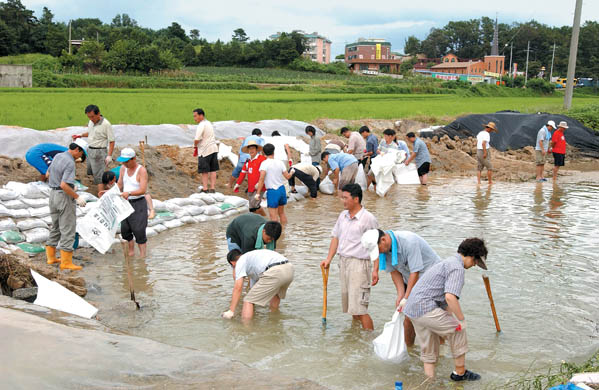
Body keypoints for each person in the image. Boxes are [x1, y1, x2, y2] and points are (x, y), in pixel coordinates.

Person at [403, 238, 488, 382]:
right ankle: (460, 373)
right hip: (425, 307)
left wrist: (450, 317)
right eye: (475, 262)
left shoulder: (446, 262)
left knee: (429, 348)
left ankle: (430, 381)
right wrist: (461, 320)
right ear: (472, 256)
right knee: (458, 330)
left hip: (413, 309)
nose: (474, 265)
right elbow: (450, 297)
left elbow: (442, 298)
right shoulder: (457, 268)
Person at [361, 229, 441, 346]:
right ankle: (408, 348)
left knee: (428, 315)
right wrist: (401, 296)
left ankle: (440, 346)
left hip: (432, 277)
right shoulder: (385, 251)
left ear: (383, 240)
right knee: (407, 315)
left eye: (378, 249)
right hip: (411, 277)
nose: (379, 253)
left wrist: (407, 298)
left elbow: (415, 272)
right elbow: (395, 273)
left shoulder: (409, 241)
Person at [320, 184, 378, 330]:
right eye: (342, 197)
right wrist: (328, 259)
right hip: (344, 262)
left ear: (356, 199)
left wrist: (375, 270)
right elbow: (335, 237)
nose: (342, 201)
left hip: (360, 265)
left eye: (345, 198)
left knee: (360, 309)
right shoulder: (343, 216)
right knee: (352, 308)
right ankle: (356, 336)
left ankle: (369, 340)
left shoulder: (368, 219)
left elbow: (375, 245)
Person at [45, 138, 89, 270]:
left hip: (52, 195)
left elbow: (48, 174)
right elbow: (64, 185)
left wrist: (70, 186)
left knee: (56, 226)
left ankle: (51, 258)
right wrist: (77, 197)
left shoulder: (58, 156)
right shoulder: (70, 163)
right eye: (81, 154)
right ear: (77, 150)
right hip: (63, 197)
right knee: (68, 228)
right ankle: (66, 262)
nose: (81, 157)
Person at [222, 249, 294, 321]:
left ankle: (245, 329)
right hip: (289, 269)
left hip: (274, 271)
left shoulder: (240, 261)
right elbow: (253, 290)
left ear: (232, 263)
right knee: (275, 294)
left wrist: (231, 311)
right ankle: (274, 320)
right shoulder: (252, 260)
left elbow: (238, 287)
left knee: (248, 300)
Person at [72, 105, 115, 196]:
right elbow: (91, 133)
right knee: (92, 172)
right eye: (89, 117)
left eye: (92, 116)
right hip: (90, 150)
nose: (91, 119)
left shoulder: (106, 124)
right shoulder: (91, 122)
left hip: (99, 152)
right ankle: (107, 190)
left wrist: (109, 155)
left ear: (98, 114)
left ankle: (101, 197)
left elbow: (111, 141)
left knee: (99, 177)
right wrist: (80, 135)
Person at [116, 148, 149, 258]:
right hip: (126, 203)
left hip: (138, 203)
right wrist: (110, 192)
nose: (125, 164)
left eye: (127, 161)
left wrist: (129, 193)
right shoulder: (123, 169)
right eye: (123, 162)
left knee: (139, 230)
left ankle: (142, 256)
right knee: (125, 230)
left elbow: (143, 190)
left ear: (134, 158)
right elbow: (120, 184)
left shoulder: (141, 170)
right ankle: (131, 252)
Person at [255, 143, 293, 224]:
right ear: (273, 152)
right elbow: (287, 177)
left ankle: (277, 235)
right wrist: (292, 172)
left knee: (273, 217)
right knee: (282, 213)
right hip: (281, 189)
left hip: (273, 191)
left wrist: (258, 193)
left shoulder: (264, 164)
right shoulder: (280, 162)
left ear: (263, 153)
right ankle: (284, 231)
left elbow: (261, 179)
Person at [234, 140, 266, 216]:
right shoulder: (248, 161)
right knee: (252, 208)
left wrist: (260, 183)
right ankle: (260, 221)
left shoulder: (262, 159)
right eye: (249, 149)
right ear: (248, 150)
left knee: (254, 207)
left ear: (256, 150)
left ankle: (265, 219)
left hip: (260, 187)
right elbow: (243, 173)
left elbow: (267, 172)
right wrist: (238, 184)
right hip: (250, 188)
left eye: (253, 148)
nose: (251, 150)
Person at [193, 108, 219, 193]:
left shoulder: (201, 125)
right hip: (214, 148)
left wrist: (195, 146)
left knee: (204, 171)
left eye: (195, 116)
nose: (194, 118)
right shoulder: (209, 123)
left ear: (201, 115)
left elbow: (197, 138)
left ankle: (205, 189)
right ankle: (212, 188)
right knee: (213, 169)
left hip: (205, 150)